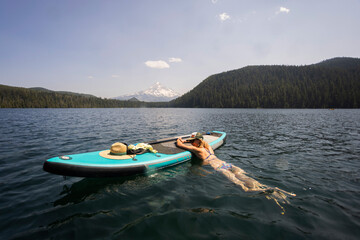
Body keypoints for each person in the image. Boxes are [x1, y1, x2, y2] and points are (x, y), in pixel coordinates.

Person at [176, 132, 296, 197]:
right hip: (226, 164)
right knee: (245, 177)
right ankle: (268, 188)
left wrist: (181, 140)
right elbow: (201, 141)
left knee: (240, 185)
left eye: (193, 141)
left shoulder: (198, 150)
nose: (191, 143)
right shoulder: (207, 147)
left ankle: (258, 192)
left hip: (218, 167)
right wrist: (192, 140)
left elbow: (180, 145)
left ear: (197, 141)